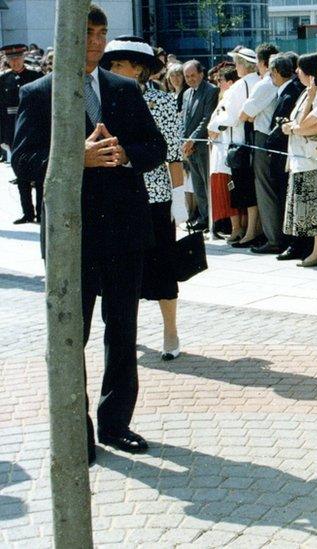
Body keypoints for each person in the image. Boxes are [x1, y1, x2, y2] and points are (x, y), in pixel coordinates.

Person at [12, 4, 166, 464]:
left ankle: (116, 422)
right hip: (70, 238)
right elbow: (23, 160)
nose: (97, 42)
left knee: (122, 332)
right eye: (88, 33)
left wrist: (123, 155)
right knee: (69, 337)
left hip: (124, 233)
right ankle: (74, 429)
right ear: (67, 39)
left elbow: (155, 147)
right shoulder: (42, 93)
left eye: (102, 33)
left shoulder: (124, 88)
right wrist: (72, 158)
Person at [103, 36, 186, 363]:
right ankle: (124, 333)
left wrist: (179, 197)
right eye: (112, 65)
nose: (115, 70)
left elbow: (174, 154)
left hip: (156, 197)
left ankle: (170, 331)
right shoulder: (103, 100)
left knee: (163, 266)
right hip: (114, 196)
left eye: (121, 64)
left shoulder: (163, 102)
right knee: (119, 270)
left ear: (139, 69)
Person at [208, 48, 262, 246]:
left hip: (239, 144)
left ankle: (250, 232)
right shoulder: (259, 82)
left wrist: (213, 125)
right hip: (254, 142)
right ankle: (251, 230)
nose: (235, 66)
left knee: (245, 191)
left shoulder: (240, 86)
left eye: (237, 63)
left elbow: (230, 117)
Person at [280, 54, 317, 267]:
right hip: (301, 157)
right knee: (308, 208)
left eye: (299, 69)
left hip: (314, 158)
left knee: (316, 207)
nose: (296, 72)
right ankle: (314, 249)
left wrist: (296, 129)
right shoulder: (306, 93)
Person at [241, 43, 284, 254]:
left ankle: (273, 237)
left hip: (263, 136)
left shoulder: (265, 84)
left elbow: (245, 114)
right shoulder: (273, 83)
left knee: (264, 186)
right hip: (272, 137)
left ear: (263, 62)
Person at [264, 55, 306, 262]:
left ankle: (291, 242)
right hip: (284, 156)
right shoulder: (288, 91)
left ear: (277, 73)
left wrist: (269, 145)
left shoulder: (289, 94)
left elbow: (281, 128)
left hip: (284, 156)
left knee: (285, 198)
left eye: (271, 73)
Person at [0, 44, 43, 224]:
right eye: (11, 59)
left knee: (40, 173)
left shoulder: (36, 77)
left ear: (24, 57)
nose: (15, 62)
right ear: (7, 60)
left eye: (18, 58)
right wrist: (2, 138)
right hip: (13, 132)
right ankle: (28, 213)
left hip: (35, 130)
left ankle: (41, 213)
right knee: (20, 173)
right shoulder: (3, 80)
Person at [181, 60, 218, 231]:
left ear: (201, 74)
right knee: (197, 185)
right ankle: (203, 218)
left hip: (202, 145)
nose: (190, 79)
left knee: (206, 183)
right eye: (187, 76)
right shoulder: (187, 93)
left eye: (193, 75)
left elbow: (206, 118)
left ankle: (213, 220)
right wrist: (184, 140)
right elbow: (184, 119)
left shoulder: (211, 91)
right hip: (189, 147)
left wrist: (193, 139)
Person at [206, 67, 241, 238]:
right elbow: (211, 126)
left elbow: (218, 124)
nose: (218, 83)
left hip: (227, 151)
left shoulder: (231, 98)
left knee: (232, 192)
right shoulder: (222, 98)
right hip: (219, 152)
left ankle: (237, 228)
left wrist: (214, 128)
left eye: (221, 80)